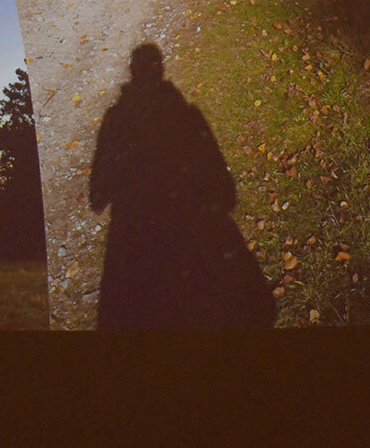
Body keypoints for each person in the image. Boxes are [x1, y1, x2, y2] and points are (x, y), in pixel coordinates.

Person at [89, 44, 273, 329]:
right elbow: (226, 193)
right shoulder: (187, 117)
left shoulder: (115, 123)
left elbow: (97, 197)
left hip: (135, 251)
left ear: (132, 73)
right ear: (160, 71)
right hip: (190, 241)